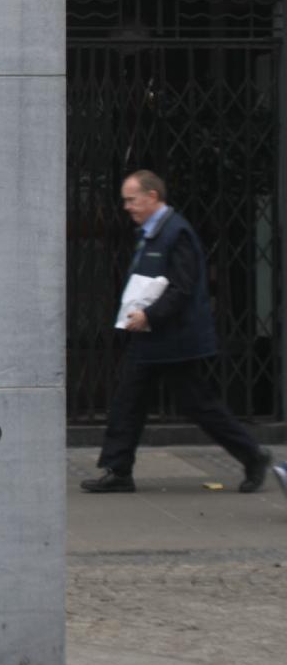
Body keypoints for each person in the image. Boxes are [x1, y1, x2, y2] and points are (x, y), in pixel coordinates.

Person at [81, 170, 270, 494]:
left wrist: (148, 315)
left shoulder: (176, 233)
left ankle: (253, 456)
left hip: (175, 341)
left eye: (132, 199)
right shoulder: (152, 233)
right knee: (128, 401)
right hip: (153, 339)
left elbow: (182, 288)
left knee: (199, 404)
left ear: (152, 197)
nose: (127, 206)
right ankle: (118, 470)